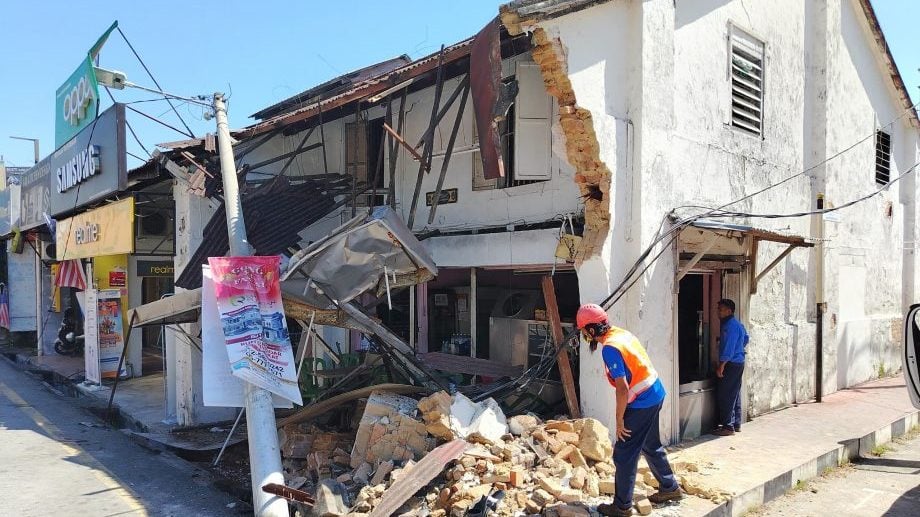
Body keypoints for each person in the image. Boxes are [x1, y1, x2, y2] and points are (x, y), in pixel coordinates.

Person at [577, 303, 683, 516]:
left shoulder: (610, 348)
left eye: (583, 331)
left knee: (624, 453)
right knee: (650, 444)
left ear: (590, 330)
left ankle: (622, 506)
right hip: (655, 392)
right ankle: (670, 487)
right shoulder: (621, 334)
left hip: (642, 401)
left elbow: (622, 388)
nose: (584, 336)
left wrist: (619, 420)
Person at [713, 298, 749, 436]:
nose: (718, 312)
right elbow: (746, 338)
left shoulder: (730, 327)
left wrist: (722, 364)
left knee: (726, 394)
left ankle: (728, 426)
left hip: (731, 364)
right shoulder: (737, 324)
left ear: (729, 311)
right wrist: (739, 349)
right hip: (738, 362)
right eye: (718, 309)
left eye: (721, 310)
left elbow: (729, 347)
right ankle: (736, 423)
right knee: (734, 393)